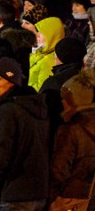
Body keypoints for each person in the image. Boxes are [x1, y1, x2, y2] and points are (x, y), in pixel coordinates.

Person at [0, 58, 50, 211]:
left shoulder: (8, 110)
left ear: (12, 81)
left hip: (15, 195)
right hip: (38, 193)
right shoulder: (38, 107)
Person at [49, 69, 95, 209]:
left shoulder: (70, 129)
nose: (62, 101)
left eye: (65, 98)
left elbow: (59, 170)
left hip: (67, 197)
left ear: (73, 101)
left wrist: (51, 197)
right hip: (89, 195)